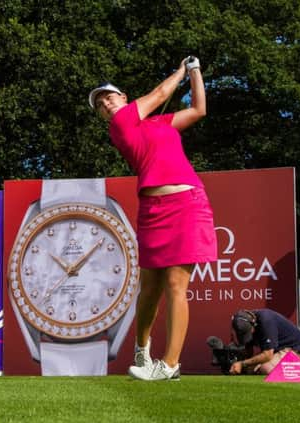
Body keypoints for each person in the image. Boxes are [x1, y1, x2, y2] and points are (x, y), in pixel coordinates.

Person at [88, 56, 217, 381]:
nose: (106, 104)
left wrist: (196, 71)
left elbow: (199, 110)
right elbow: (160, 94)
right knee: (149, 289)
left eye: (109, 97)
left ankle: (170, 363)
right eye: (101, 105)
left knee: (176, 283)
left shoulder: (161, 124)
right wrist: (180, 70)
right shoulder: (120, 126)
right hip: (152, 210)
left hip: (187, 203)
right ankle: (142, 349)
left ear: (125, 99)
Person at [229, 309, 300, 375]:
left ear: (253, 324)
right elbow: (248, 352)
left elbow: (268, 355)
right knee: (249, 369)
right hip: (276, 352)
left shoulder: (266, 320)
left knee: (266, 368)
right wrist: (236, 361)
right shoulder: (243, 324)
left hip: (298, 349)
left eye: (248, 333)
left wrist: (242, 364)